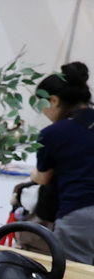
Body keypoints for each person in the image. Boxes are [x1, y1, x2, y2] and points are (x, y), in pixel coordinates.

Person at [31, 61, 94, 263]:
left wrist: (33, 175)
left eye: (42, 104)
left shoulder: (53, 133)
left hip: (80, 212)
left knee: (73, 276)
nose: (43, 111)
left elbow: (43, 178)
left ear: (54, 100)